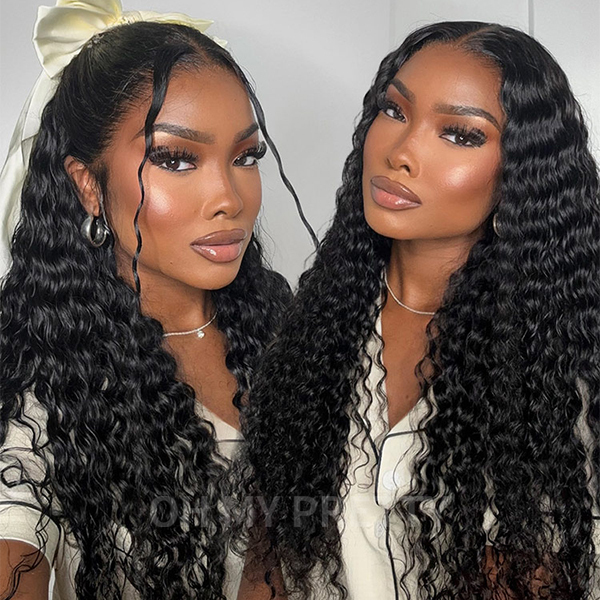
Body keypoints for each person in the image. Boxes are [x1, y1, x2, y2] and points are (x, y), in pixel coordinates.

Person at [238, 21, 600, 599]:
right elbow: (268, 564)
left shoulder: (556, 369)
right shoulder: (315, 333)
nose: (402, 152)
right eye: (395, 111)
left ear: (520, 177)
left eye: (459, 134)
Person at [0, 1, 314, 599]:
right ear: (88, 185)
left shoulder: (298, 337)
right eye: (176, 159)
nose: (229, 198)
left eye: (246, 156)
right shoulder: (42, 383)